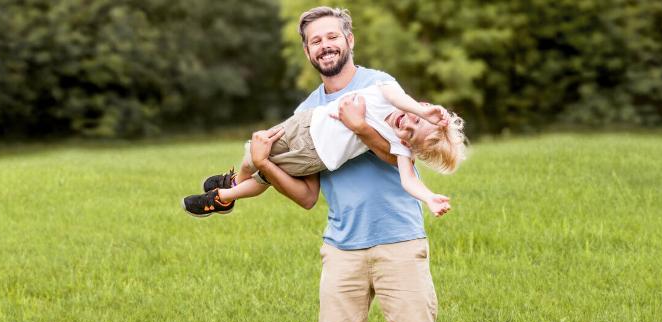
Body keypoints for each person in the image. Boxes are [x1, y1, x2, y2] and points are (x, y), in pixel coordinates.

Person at [242, 7, 451, 322]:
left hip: (399, 241)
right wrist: (265, 165)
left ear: (349, 40)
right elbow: (305, 196)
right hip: (342, 248)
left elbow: (402, 159)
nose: (325, 45)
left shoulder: (380, 86)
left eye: (332, 37)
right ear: (307, 51)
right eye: (315, 41)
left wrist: (361, 128)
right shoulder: (307, 111)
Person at [180, 81, 466, 217]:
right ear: (425, 106)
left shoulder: (397, 143)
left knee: (264, 175)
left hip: (313, 155)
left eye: (411, 134)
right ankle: (232, 185)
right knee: (254, 149)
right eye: (416, 119)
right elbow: (401, 100)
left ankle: (224, 196)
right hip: (304, 122)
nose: (407, 124)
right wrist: (424, 114)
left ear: (408, 144)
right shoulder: (390, 93)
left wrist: (429, 198)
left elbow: (409, 179)